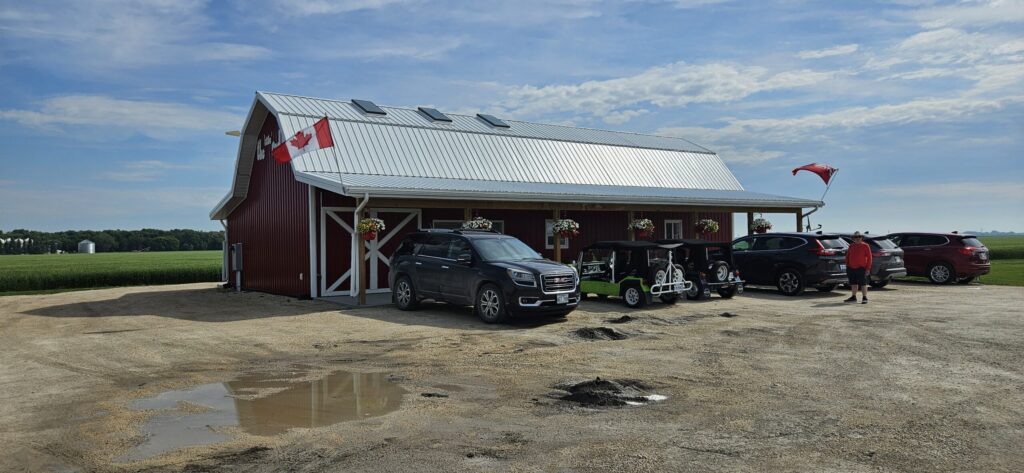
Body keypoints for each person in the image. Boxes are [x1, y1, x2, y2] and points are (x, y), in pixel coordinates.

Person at [845, 231, 873, 304]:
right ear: (853, 238)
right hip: (851, 268)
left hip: (861, 268)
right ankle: (853, 297)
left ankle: (864, 298)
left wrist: (868, 268)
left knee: (863, 283)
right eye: (856, 237)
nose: (857, 238)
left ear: (861, 238)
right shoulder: (851, 246)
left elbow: (869, 258)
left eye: (859, 237)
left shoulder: (865, 246)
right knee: (853, 283)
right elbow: (847, 256)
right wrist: (847, 266)